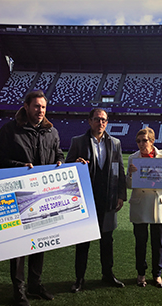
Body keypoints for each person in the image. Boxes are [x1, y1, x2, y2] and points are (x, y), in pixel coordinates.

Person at [0, 90, 65, 306]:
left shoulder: (52, 131)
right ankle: (19, 290)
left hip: (43, 196)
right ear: (26, 106)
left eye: (43, 107)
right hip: (17, 196)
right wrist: (20, 168)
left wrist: (60, 162)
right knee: (18, 246)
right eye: (36, 106)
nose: (40, 111)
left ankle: (35, 284)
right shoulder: (9, 130)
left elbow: (58, 153)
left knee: (39, 242)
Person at [65, 108, 127, 293]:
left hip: (108, 197)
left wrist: (121, 195)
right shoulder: (78, 141)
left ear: (107, 122)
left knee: (107, 240)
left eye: (104, 120)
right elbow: (68, 166)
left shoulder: (115, 142)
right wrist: (76, 163)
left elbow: (120, 170)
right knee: (83, 241)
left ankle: (107, 274)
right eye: (97, 119)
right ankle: (79, 279)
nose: (101, 122)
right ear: (90, 121)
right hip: (85, 199)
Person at [126, 127, 162, 288]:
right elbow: (128, 185)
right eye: (139, 141)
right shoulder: (132, 158)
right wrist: (129, 174)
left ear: (153, 140)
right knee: (140, 243)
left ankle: (157, 275)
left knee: (158, 243)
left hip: (158, 204)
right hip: (140, 203)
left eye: (145, 140)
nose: (142, 144)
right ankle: (141, 273)